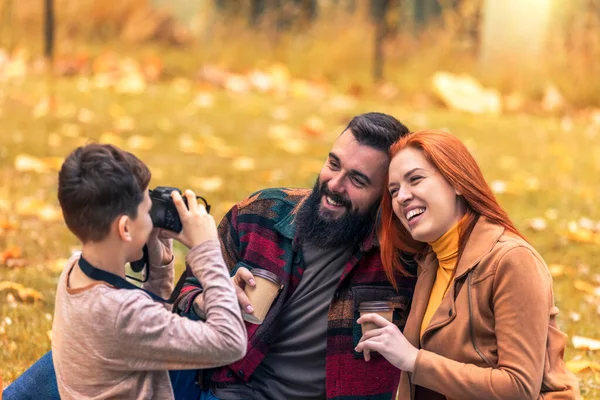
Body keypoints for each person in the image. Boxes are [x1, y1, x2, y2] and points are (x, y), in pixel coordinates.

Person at [170, 112, 417, 400]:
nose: (335, 184)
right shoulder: (257, 215)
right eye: (333, 164)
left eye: (357, 181)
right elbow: (180, 299)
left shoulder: (403, 257)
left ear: (386, 195)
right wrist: (206, 299)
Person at [356, 130, 581, 399]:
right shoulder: (430, 262)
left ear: (457, 182)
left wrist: (414, 360)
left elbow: (519, 388)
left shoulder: (511, 260)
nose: (402, 197)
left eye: (415, 179)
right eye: (394, 191)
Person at [50, 143, 247, 399]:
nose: (151, 219)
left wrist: (159, 266)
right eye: (146, 211)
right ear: (125, 229)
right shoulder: (124, 313)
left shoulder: (74, 269)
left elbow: (145, 330)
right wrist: (206, 250)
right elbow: (230, 343)